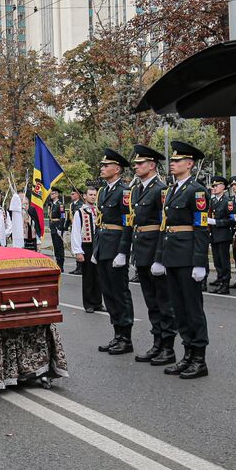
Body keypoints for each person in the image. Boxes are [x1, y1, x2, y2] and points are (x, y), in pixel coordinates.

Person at [155, 142, 211, 378]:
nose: (172, 163)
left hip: (188, 256)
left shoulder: (196, 190)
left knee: (193, 309)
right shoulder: (171, 191)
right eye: (172, 160)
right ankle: (187, 354)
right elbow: (165, 226)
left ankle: (199, 358)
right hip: (173, 256)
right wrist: (160, 257)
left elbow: (201, 227)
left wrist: (200, 262)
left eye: (178, 161)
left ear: (189, 164)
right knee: (179, 308)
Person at [127, 145, 175, 366]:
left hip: (155, 250)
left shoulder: (161, 189)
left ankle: (168, 347)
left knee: (165, 301)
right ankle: (157, 343)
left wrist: (160, 257)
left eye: (140, 163)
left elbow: (164, 226)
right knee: (151, 302)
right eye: (135, 163)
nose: (136, 166)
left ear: (152, 165)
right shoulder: (137, 189)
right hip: (142, 251)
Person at [94, 148, 135, 355]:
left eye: (106, 165)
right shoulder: (103, 191)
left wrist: (123, 251)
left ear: (117, 169)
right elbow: (100, 222)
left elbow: (128, 223)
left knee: (120, 292)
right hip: (103, 245)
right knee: (108, 293)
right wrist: (96, 248)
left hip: (116, 245)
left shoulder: (124, 191)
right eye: (102, 165)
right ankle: (117, 333)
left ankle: (126, 337)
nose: (102, 168)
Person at [70, 186, 102, 312]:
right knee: (88, 276)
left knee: (98, 275)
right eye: (90, 194)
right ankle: (88, 304)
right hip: (87, 246)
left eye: (94, 195)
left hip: (98, 246)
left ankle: (98, 302)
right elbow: (76, 232)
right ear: (85, 196)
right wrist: (78, 251)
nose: (93, 197)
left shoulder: (100, 211)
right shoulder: (80, 212)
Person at [207, 176, 235, 295]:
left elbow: (231, 219)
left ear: (223, 187)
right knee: (217, 260)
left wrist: (216, 222)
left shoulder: (227, 201)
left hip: (223, 235)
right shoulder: (213, 201)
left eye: (216, 185)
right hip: (214, 235)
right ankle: (220, 280)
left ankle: (225, 284)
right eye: (213, 186)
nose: (214, 188)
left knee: (224, 261)